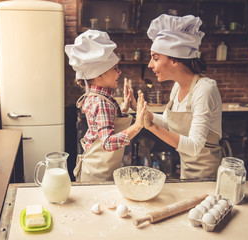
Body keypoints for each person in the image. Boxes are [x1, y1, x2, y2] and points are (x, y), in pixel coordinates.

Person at [143, 14, 223, 179]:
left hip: (208, 178)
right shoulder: (177, 86)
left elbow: (194, 147)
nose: (150, 65)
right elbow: (167, 122)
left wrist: (151, 126)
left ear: (174, 60)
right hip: (186, 175)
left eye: (155, 58)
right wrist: (147, 115)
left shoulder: (204, 89)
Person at [65, 30, 146, 182]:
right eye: (115, 68)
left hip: (97, 168)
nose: (120, 72)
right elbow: (108, 143)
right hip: (97, 175)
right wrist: (138, 125)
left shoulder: (99, 97)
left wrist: (124, 108)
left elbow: (103, 123)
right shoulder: (101, 102)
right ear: (98, 75)